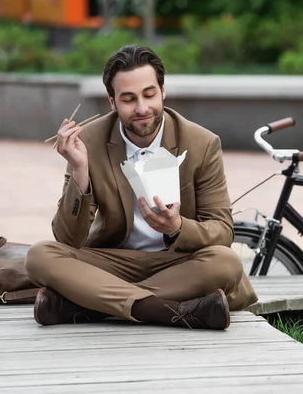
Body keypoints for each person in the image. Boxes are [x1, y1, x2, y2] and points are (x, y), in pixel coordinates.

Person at [25, 44, 258, 330]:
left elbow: (222, 232)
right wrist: (80, 171)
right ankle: (165, 309)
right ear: (112, 102)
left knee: (226, 262)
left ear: (163, 92)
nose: (142, 108)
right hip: (113, 260)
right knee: (40, 256)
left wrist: (176, 228)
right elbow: (67, 239)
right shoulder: (90, 142)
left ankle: (90, 305)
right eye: (129, 99)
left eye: (149, 94)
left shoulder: (202, 143)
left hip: (178, 263)